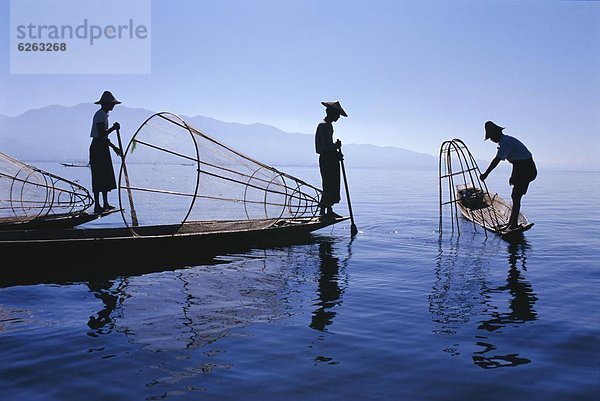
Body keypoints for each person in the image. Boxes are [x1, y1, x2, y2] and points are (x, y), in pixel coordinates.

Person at [479, 121, 537, 230]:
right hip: (521, 168)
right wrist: (513, 176)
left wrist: (485, 174)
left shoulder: (506, 142)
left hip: (527, 169)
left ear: (497, 133)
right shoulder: (505, 142)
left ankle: (513, 223)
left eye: (491, 137)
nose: (491, 140)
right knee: (515, 196)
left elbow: (497, 160)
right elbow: (516, 161)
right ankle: (511, 222)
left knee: (516, 196)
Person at [89, 91, 123, 214]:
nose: (113, 106)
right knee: (98, 176)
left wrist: (114, 148)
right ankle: (98, 205)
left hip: (102, 146)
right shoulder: (99, 115)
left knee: (105, 176)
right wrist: (113, 129)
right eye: (111, 104)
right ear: (106, 104)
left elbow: (104, 137)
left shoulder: (104, 115)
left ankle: (105, 203)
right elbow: (101, 134)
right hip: (97, 148)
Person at [315, 101, 348, 218]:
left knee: (332, 185)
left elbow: (328, 146)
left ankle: (328, 211)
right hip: (327, 160)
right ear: (331, 113)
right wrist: (335, 146)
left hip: (330, 159)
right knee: (328, 184)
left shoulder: (328, 125)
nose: (338, 117)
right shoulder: (323, 125)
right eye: (337, 114)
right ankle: (323, 212)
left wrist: (335, 151)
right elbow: (322, 148)